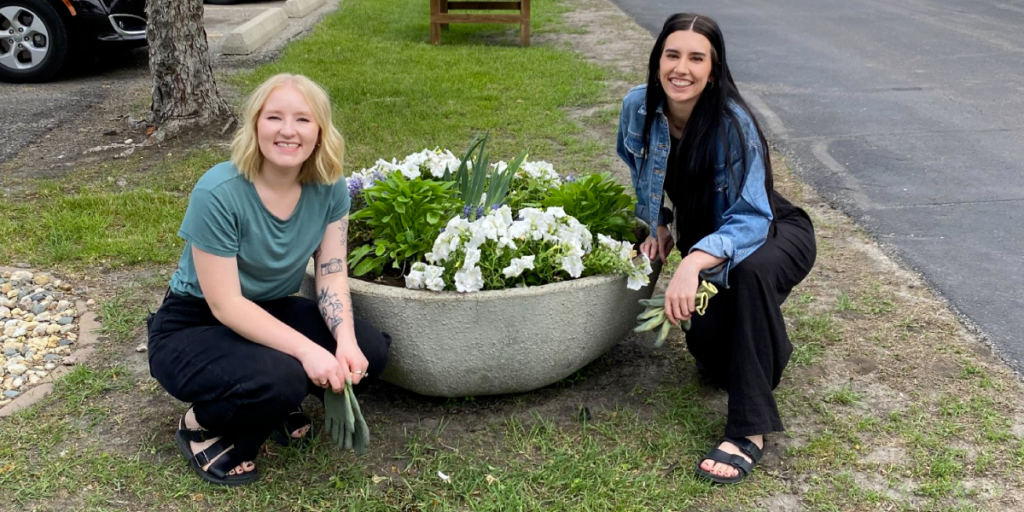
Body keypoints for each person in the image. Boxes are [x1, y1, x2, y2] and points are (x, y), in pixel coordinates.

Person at [147, 73, 391, 486]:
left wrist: (344, 341)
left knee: (370, 352)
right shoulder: (219, 191)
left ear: (320, 131)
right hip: (194, 321)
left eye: (303, 119)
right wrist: (308, 353)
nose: (287, 131)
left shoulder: (330, 187)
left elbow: (331, 274)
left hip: (272, 306)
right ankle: (200, 425)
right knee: (284, 377)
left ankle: (277, 398)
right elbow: (226, 305)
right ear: (256, 125)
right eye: (274, 117)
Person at [616, 13, 816, 484]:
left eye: (695, 58)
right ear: (657, 58)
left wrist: (692, 265)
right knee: (713, 362)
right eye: (672, 54)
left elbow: (751, 217)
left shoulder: (732, 122)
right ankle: (768, 348)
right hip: (714, 241)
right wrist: (660, 225)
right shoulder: (639, 108)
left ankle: (748, 431)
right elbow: (641, 172)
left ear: (713, 67)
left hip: (770, 229)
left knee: (749, 277)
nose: (680, 68)